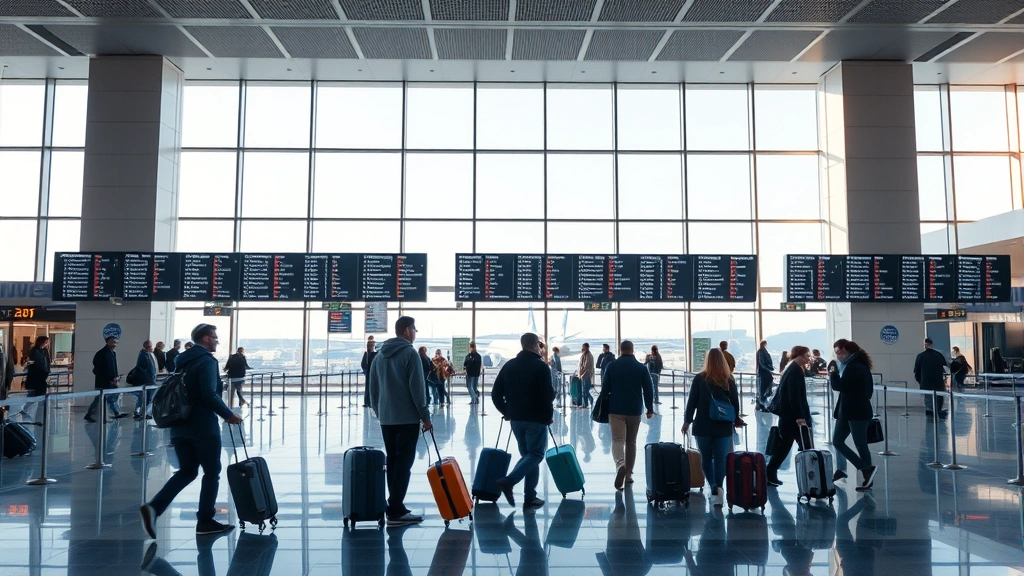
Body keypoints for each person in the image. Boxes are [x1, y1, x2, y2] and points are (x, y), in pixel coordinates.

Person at [140, 323, 243, 539]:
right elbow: (208, 394)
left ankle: (154, 508)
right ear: (205, 338)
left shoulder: (181, 360)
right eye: (214, 338)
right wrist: (228, 414)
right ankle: (205, 520)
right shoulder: (206, 361)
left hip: (179, 425)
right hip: (203, 426)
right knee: (212, 472)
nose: (216, 342)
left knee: (187, 471)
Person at [367, 316, 432, 526]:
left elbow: (372, 389)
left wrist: (380, 412)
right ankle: (395, 509)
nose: (415, 333)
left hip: (387, 419)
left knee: (393, 462)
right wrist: (425, 417)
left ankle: (395, 505)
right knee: (404, 463)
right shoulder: (410, 354)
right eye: (414, 329)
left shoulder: (379, 356)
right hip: (407, 419)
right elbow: (418, 390)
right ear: (406, 330)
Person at [491, 332, 555, 508]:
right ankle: (509, 481)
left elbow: (495, 393)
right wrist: (548, 416)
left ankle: (530, 497)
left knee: (529, 457)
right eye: (539, 345)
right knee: (536, 455)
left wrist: (506, 411)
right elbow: (548, 396)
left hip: (516, 420)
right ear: (535, 345)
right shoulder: (541, 367)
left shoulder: (509, 365)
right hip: (536, 419)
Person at [681, 348, 743, 507]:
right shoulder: (728, 379)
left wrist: (687, 421)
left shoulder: (700, 379)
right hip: (723, 426)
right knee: (721, 458)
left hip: (703, 425)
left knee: (706, 458)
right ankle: (720, 487)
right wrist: (735, 419)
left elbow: (692, 402)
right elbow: (735, 404)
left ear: (707, 360)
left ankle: (713, 485)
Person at [599, 341, 654, 490]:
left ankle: (620, 465)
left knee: (617, 440)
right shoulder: (641, 368)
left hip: (615, 408)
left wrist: (602, 406)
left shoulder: (612, 366)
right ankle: (628, 475)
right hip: (634, 409)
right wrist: (649, 408)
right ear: (632, 350)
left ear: (620, 350)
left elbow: (605, 388)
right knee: (631, 442)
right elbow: (648, 389)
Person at [829, 339, 877, 492]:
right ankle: (864, 469)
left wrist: (833, 373)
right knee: (838, 441)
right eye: (836, 353)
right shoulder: (853, 366)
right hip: (847, 411)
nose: (838, 356)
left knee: (860, 444)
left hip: (856, 412)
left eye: (840, 352)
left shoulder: (854, 367)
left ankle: (867, 472)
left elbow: (838, 386)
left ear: (847, 351)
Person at [765, 346, 813, 487]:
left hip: (788, 416)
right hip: (792, 417)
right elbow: (794, 395)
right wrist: (800, 416)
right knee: (796, 445)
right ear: (799, 355)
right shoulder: (795, 371)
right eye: (806, 355)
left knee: (789, 445)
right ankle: (811, 475)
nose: (808, 358)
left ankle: (771, 472)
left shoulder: (792, 368)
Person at [85, 336, 125, 422]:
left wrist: (116, 377)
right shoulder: (102, 353)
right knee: (100, 399)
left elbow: (113, 368)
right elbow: (97, 368)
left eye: (115, 342)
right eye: (112, 342)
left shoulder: (112, 353)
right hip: (103, 382)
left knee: (109, 398)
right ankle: (89, 414)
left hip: (110, 381)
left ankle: (116, 413)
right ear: (107, 342)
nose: (114, 344)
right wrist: (108, 378)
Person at [914, 338, 948, 418]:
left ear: (925, 345)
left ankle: (930, 419)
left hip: (926, 384)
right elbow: (945, 369)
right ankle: (938, 416)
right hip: (939, 384)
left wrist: (921, 381)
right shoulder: (939, 355)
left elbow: (916, 372)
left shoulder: (920, 356)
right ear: (931, 345)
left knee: (929, 404)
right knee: (939, 401)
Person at [23, 336, 51, 421]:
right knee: (34, 395)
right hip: (37, 377)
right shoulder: (35, 351)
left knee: (39, 395)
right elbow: (36, 364)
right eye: (45, 342)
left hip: (42, 376)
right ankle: (27, 409)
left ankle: (39, 413)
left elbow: (46, 362)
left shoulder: (44, 351)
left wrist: (46, 371)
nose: (46, 344)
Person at [133, 340, 158, 419]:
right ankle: (141, 412)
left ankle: (143, 412)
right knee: (144, 397)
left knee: (146, 397)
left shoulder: (147, 354)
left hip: (149, 380)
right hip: (147, 381)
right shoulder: (143, 355)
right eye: (151, 346)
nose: (152, 348)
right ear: (148, 347)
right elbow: (142, 368)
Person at [756, 340, 774, 411]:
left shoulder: (763, 351)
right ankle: (762, 405)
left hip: (765, 373)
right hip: (763, 373)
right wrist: (769, 368)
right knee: (763, 389)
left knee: (764, 389)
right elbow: (762, 363)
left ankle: (762, 404)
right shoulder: (761, 351)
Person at [578, 343, 596, 408]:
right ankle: (585, 404)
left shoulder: (588, 355)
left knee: (586, 391)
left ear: (586, 347)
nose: (582, 348)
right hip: (584, 375)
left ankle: (591, 401)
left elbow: (587, 367)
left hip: (586, 375)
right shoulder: (585, 355)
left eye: (583, 347)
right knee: (584, 391)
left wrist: (582, 374)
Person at [361, 337, 377, 406]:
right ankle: (368, 401)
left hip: (370, 372)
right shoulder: (368, 354)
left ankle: (369, 401)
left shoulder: (372, 354)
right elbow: (363, 364)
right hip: (369, 372)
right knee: (369, 387)